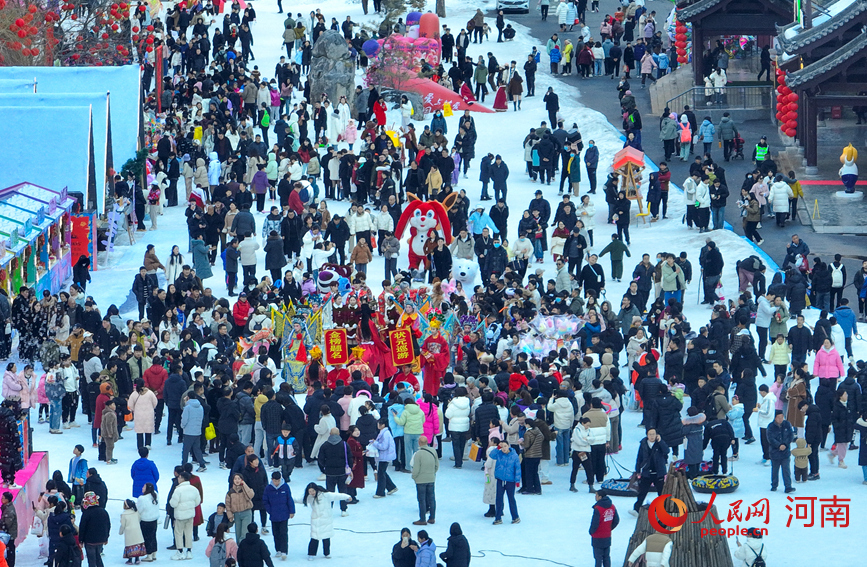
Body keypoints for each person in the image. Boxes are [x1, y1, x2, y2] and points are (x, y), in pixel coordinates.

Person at [302, 483, 351, 559]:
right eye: (310, 491)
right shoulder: (309, 498)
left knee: (326, 537)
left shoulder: (326, 495)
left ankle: (327, 553)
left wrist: (347, 497)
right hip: (316, 520)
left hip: (326, 520)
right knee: (314, 538)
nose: (312, 493)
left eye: (313, 491)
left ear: (316, 489)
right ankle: (311, 554)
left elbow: (337, 496)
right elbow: (299, 499)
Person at [630, 428, 669, 516]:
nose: (652, 436)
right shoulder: (643, 444)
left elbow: (667, 451)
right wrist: (638, 470)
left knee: (661, 492)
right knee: (642, 492)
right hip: (646, 472)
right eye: (650, 434)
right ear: (647, 435)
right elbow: (639, 457)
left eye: (653, 434)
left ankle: (663, 509)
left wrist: (661, 441)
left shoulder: (660, 443)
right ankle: (636, 509)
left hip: (659, 472)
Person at [169, 472, 202, 560]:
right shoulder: (194, 489)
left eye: (179, 477)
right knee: (188, 532)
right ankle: (189, 551)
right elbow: (197, 501)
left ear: (182, 478)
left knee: (179, 533)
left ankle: (180, 551)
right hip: (190, 514)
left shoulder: (178, 490)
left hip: (180, 515)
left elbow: (173, 503)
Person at [487, 440, 521, 525]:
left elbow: (517, 469)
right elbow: (491, 455)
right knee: (499, 499)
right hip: (500, 480)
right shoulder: (498, 454)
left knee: (511, 499)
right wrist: (498, 448)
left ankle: (515, 517)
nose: (504, 448)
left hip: (510, 481)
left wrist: (517, 480)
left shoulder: (514, 456)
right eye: (502, 447)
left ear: (509, 446)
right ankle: (498, 517)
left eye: (505, 446)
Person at [411, 436, 439, 526]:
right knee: (431, 498)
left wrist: (414, 477)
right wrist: (432, 473)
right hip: (431, 478)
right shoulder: (433, 451)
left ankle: (422, 519)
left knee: (422, 499)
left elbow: (416, 468)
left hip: (420, 480)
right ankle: (432, 518)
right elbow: (436, 465)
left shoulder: (418, 454)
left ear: (419, 443)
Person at [589, 489, 619, 567]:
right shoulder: (612, 506)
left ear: (600, 497)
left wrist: (591, 531)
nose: (595, 497)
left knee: (598, 558)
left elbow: (595, 523)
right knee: (606, 556)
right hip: (607, 535)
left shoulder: (598, 508)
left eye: (596, 495)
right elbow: (616, 520)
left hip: (597, 536)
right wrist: (609, 528)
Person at [78, 492, 109, 567]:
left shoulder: (86, 513)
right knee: (98, 557)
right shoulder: (103, 511)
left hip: (89, 541)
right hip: (101, 539)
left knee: (91, 560)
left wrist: (80, 540)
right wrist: (106, 537)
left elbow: (82, 527)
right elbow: (108, 525)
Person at [767, 411, 796, 493]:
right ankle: (774, 485)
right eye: (779, 418)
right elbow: (770, 438)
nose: (780, 419)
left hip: (785, 452)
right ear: (775, 418)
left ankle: (788, 486)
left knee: (786, 470)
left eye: (782, 417)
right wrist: (779, 445)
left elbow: (791, 435)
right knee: (775, 470)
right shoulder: (771, 426)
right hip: (775, 452)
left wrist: (785, 444)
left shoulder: (787, 424)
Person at [119, 499, 146, 564]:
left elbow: (123, 525)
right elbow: (139, 519)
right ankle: (137, 558)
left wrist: (121, 532)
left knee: (130, 544)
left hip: (129, 532)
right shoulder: (136, 512)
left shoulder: (124, 514)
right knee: (137, 543)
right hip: (137, 530)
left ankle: (130, 559)